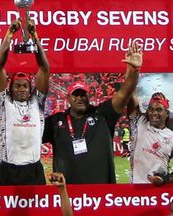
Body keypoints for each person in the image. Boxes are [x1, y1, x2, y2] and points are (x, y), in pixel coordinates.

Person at [43, 43, 142, 184]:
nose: (79, 98)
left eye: (83, 94)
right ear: (68, 98)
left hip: (101, 194)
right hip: (68, 194)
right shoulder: (56, 121)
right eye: (75, 95)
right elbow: (31, 134)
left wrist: (133, 70)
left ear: (89, 96)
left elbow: (124, 95)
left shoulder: (102, 114)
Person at [0, 18, 50, 185]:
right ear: (10, 88)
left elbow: (44, 69)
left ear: (30, 89)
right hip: (9, 169)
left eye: (25, 86)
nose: (22, 89)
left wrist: (34, 36)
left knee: (38, 212)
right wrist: (9, 34)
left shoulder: (37, 103)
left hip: (34, 170)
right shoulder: (4, 103)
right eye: (17, 86)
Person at [126, 92, 173, 185]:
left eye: (159, 109)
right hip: (136, 190)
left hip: (160, 190)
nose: (154, 113)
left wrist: (164, 180)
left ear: (167, 113)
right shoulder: (139, 122)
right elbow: (130, 93)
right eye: (151, 109)